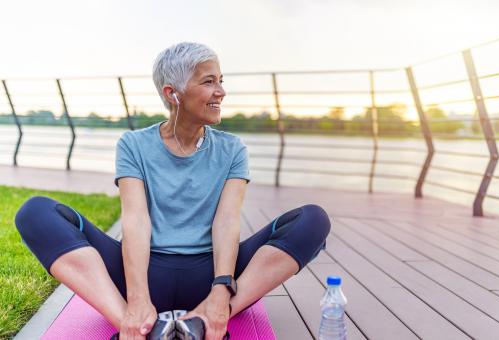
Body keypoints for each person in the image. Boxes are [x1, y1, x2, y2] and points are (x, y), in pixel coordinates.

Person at [14, 42, 331, 340]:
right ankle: (131, 322)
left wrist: (222, 290)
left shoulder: (233, 149)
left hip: (212, 277)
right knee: (35, 212)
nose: (221, 91)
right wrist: (138, 298)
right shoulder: (133, 145)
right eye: (209, 82)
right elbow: (136, 220)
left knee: (313, 220)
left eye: (220, 81)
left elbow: (226, 222)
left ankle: (207, 318)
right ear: (173, 93)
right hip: (142, 273)